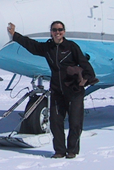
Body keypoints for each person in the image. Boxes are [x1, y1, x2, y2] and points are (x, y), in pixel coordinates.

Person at [7, 21, 97, 159]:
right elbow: (32, 46)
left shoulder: (71, 47)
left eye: (60, 30)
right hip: (57, 90)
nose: (57, 32)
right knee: (55, 122)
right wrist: (15, 35)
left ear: (64, 32)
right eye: (54, 30)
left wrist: (86, 79)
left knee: (75, 122)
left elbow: (84, 63)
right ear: (51, 32)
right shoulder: (48, 48)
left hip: (74, 90)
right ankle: (60, 151)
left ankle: (72, 150)